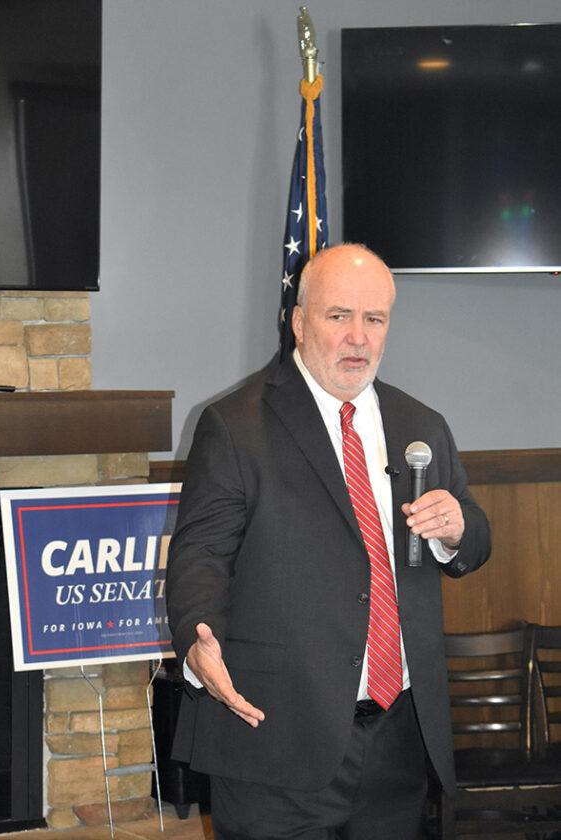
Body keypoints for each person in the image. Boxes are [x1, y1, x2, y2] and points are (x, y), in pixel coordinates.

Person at [166, 243, 491, 839]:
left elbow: (474, 538)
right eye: (339, 316)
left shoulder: (422, 426)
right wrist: (195, 637)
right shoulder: (234, 427)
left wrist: (459, 529)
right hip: (276, 737)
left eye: (375, 319)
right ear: (299, 321)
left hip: (397, 739)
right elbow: (199, 557)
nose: (358, 338)